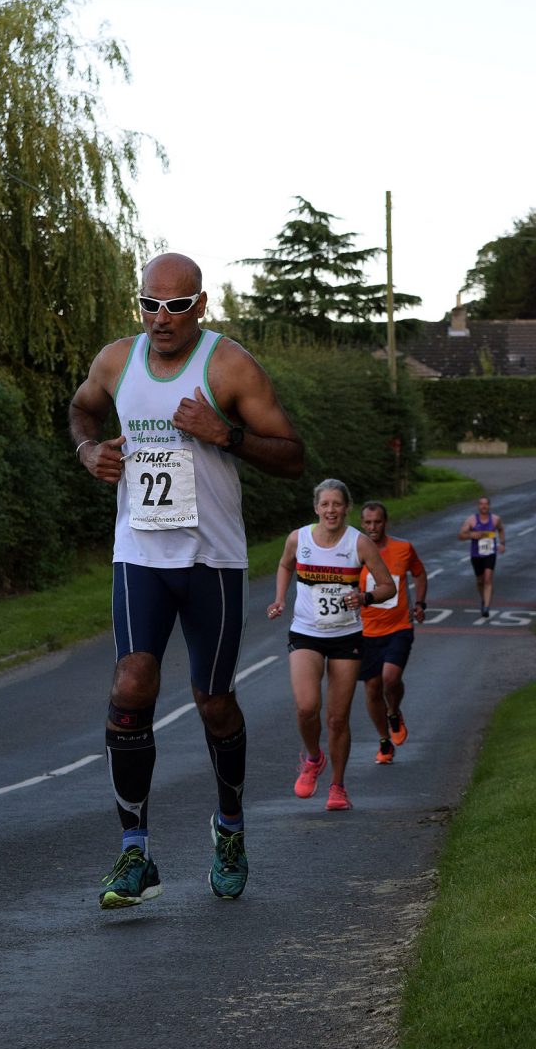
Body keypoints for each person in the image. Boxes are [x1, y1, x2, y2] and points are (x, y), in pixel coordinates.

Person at [68, 252, 303, 910]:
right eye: (150, 304)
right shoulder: (118, 360)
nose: (161, 318)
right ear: (138, 303)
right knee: (132, 680)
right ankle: (135, 850)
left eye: (176, 305)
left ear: (201, 304)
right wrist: (88, 450)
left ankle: (229, 827)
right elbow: (82, 409)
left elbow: (292, 454)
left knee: (213, 700)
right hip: (139, 552)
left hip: (212, 561)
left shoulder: (228, 366)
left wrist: (223, 433)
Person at [266, 480, 394, 812]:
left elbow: (387, 587)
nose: (331, 510)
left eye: (337, 504)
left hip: (346, 637)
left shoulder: (359, 543)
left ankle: (338, 786)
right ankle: (313, 757)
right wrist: (280, 598)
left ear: (346, 508)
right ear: (316, 508)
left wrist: (364, 597)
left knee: (338, 718)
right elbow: (285, 564)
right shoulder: (299, 538)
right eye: (325, 504)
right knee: (307, 706)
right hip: (306, 632)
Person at [358, 502, 427, 764]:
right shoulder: (356, 554)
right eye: (368, 523)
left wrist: (420, 603)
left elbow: (420, 574)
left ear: (385, 522)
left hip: (399, 626)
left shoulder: (403, 549)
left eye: (377, 522)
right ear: (362, 524)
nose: (373, 527)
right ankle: (384, 741)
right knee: (372, 688)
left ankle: (394, 711)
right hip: (366, 631)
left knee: (390, 678)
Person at [457, 496, 505, 617]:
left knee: (488, 579)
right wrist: (471, 535)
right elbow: (461, 535)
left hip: (490, 553)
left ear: (489, 506)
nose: (484, 506)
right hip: (476, 554)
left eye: (486, 504)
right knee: (480, 581)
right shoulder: (472, 520)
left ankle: (486, 608)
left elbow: (501, 530)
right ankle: (484, 598)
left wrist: (502, 543)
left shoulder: (495, 519)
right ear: (478, 506)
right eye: (481, 504)